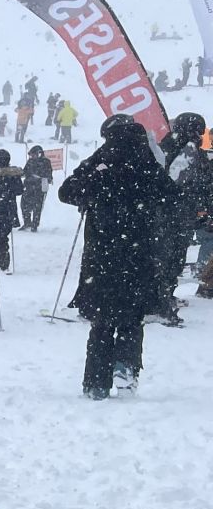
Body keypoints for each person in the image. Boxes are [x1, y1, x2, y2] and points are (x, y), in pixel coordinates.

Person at [59, 116, 178, 396]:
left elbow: (67, 191)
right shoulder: (147, 161)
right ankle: (125, 369)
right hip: (139, 252)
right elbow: (171, 195)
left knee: (101, 321)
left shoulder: (101, 159)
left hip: (102, 253)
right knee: (132, 317)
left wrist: (93, 194)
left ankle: (95, 383)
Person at [165, 112, 213, 276]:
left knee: (168, 253)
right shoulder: (189, 150)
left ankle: (165, 294)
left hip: (167, 212)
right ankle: (166, 295)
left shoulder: (165, 147)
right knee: (174, 254)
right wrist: (201, 207)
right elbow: (194, 184)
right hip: (180, 212)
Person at [20, 145, 54, 231]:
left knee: (37, 207)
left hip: (39, 187)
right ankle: (27, 222)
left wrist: (40, 177)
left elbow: (49, 175)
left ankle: (34, 225)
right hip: (28, 186)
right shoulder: (30, 161)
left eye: (33, 154)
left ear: (39, 154)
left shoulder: (46, 162)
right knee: (24, 204)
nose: (31, 157)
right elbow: (25, 171)